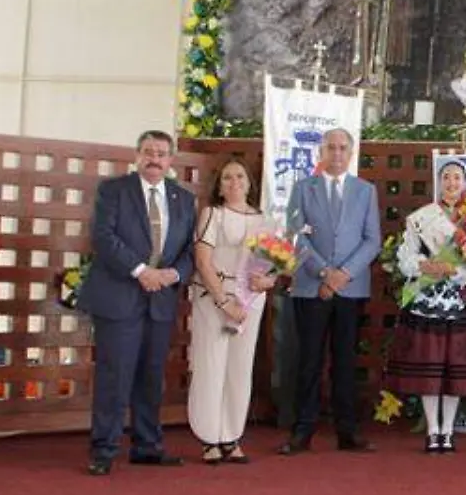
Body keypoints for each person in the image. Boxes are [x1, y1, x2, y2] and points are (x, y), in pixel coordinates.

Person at [78, 130, 196, 476]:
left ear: (171, 161)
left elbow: (191, 249)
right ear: (136, 155)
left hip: (161, 300)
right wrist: (141, 270)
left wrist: (173, 275)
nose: (154, 159)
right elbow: (103, 236)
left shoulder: (183, 198)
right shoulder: (113, 190)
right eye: (148, 152)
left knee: (151, 376)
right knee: (114, 376)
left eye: (161, 154)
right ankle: (104, 449)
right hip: (119, 297)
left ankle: (147, 446)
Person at [384, 159, 466, 453]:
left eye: (457, 178)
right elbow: (405, 257)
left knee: (455, 369)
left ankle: (448, 431)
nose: (451, 183)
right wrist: (425, 265)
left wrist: (455, 271)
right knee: (430, 368)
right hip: (427, 300)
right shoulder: (421, 217)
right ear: (439, 181)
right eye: (446, 177)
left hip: (461, 300)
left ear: (465, 183)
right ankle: (432, 430)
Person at [277, 128, 381, 455]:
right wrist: (323, 273)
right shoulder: (302, 188)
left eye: (342, 148)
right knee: (308, 360)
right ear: (320, 152)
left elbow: (372, 240)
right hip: (310, 287)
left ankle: (347, 431)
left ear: (351, 154)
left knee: (346, 361)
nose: (336, 154)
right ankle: (302, 431)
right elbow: (296, 236)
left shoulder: (365, 190)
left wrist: (343, 275)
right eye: (330, 148)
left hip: (350, 289)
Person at [187, 157, 279, 464]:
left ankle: (231, 435)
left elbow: (275, 262)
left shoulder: (265, 220)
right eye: (227, 177)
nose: (234, 182)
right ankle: (208, 437)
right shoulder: (213, 214)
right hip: (215, 297)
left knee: (240, 369)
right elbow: (203, 261)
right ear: (219, 185)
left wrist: (267, 280)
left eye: (240, 176)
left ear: (250, 182)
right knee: (211, 365)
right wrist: (224, 301)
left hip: (250, 301)